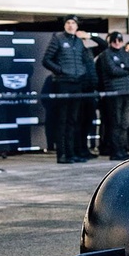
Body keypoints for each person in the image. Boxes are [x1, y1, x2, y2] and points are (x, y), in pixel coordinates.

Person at [42, 14, 93, 163]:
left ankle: (72, 153)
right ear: (65, 25)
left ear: (77, 26)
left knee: (73, 120)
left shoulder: (79, 41)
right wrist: (61, 70)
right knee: (62, 120)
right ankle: (62, 154)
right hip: (63, 83)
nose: (71, 25)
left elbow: (85, 59)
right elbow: (46, 60)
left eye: (73, 23)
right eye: (68, 23)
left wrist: (82, 72)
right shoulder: (57, 39)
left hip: (77, 83)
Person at [96, 31, 129, 160]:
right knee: (115, 122)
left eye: (119, 40)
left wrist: (123, 66)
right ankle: (115, 150)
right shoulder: (106, 54)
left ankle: (122, 148)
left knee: (125, 123)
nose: (117, 43)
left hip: (126, 91)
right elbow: (112, 71)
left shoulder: (124, 53)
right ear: (110, 42)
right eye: (114, 40)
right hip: (114, 92)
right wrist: (128, 70)